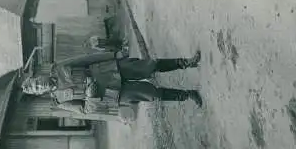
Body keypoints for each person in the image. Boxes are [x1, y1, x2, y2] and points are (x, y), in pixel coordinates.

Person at [20, 49, 203, 119]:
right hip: (110, 93)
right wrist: (91, 97)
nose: (40, 86)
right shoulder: (60, 102)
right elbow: (85, 110)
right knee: (151, 94)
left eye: (36, 82)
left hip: (110, 69)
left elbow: (87, 58)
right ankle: (187, 95)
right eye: (37, 89)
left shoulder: (59, 67)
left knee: (150, 66)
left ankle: (186, 62)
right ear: (39, 94)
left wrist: (113, 55)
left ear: (39, 76)